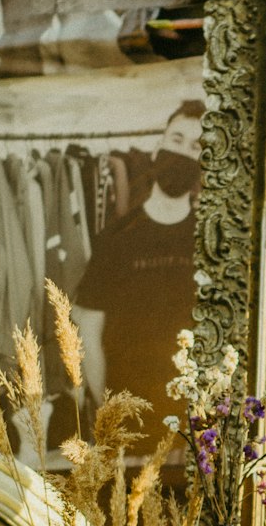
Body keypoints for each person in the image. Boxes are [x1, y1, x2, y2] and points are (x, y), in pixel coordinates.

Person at [73, 99, 203, 442]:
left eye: (196, 147)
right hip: (129, 419)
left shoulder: (209, 241)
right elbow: (87, 329)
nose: (183, 153)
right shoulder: (116, 239)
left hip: (193, 422)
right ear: (158, 145)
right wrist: (108, 408)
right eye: (176, 139)